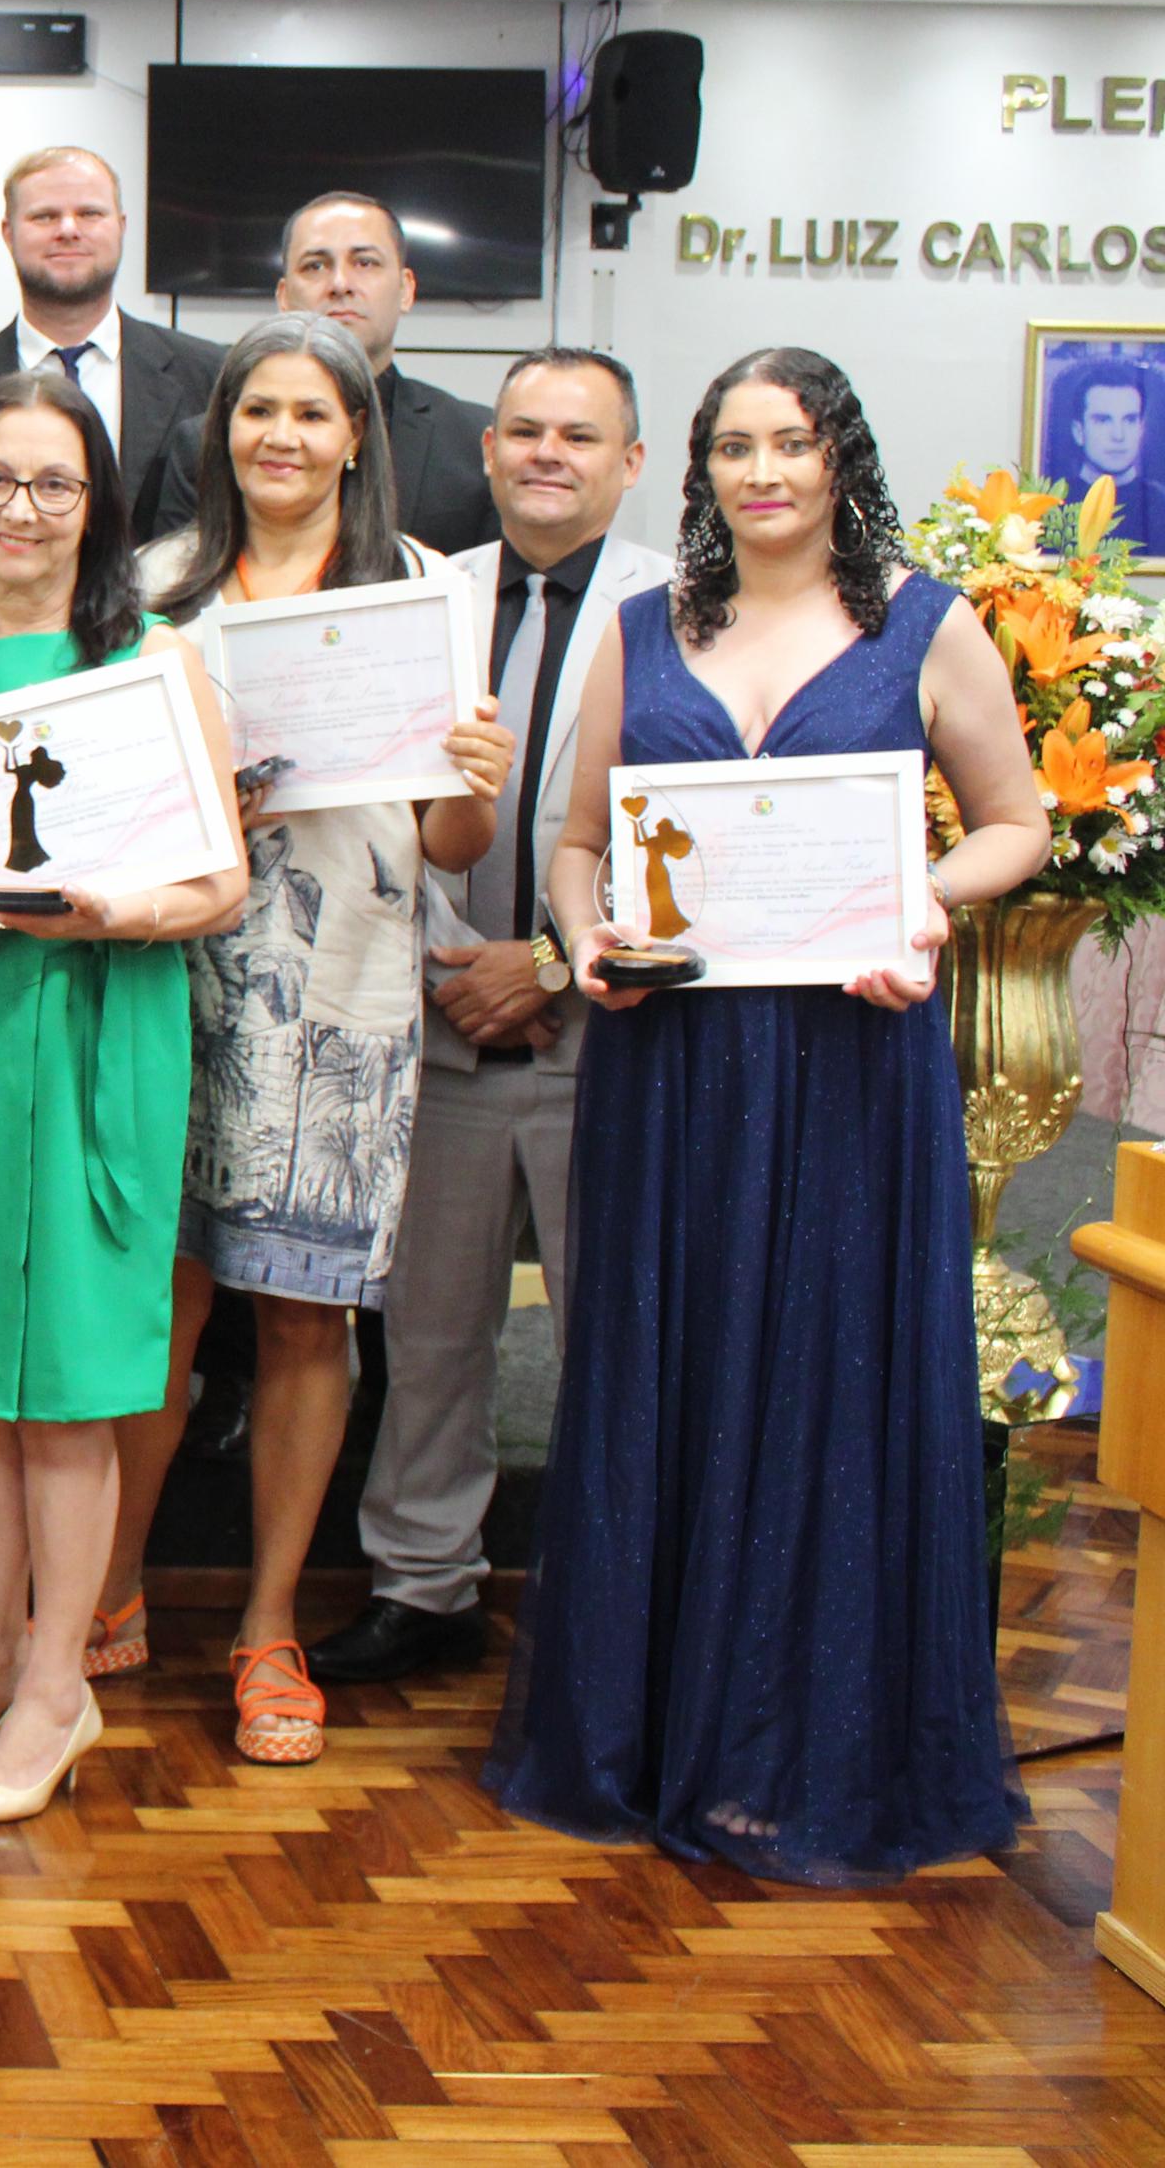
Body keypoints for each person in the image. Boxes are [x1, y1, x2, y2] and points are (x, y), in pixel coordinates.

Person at [491, 347, 1050, 1884]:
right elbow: (574, 841)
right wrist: (588, 939)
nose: (762, 473)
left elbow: (1019, 823)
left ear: (838, 458)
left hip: (850, 1064)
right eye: (735, 445)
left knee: (823, 1381)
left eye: (791, 444)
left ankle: (799, 1747)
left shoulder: (924, 625)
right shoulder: (637, 626)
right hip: (670, 1071)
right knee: (669, 1370)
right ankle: (653, 1735)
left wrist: (919, 906)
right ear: (697, 464)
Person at [98, 315, 515, 1766]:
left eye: (310, 413)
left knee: (303, 1311)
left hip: (346, 998)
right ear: (221, 432)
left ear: (356, 435)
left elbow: (453, 837)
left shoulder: (421, 593)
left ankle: (269, 1625)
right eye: (255, 409)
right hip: (177, 983)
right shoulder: (152, 588)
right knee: (166, 1298)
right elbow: (117, 801)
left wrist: (476, 776)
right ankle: (109, 1582)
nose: (280, 435)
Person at [0, 372, 246, 1824]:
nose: (22, 510)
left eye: (54, 485)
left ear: (98, 506)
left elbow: (221, 886)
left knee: (66, 1383)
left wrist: (111, 914)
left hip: (97, 1027)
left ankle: (57, 1684)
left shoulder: (151, 660)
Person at [310, 350, 666, 1692]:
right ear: (489, 449)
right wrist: (448, 967)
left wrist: (553, 964)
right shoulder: (415, 596)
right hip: (433, 1010)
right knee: (432, 1331)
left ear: (630, 464)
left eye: (581, 434)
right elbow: (357, 804)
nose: (545, 454)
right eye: (522, 430)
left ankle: (614, 1598)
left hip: (608, 1032)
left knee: (611, 1329)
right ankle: (423, 1583)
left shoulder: (681, 611)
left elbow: (679, 831)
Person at [0, 147, 226, 544]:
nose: (68, 229)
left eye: (90, 214)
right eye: (44, 216)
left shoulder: (212, 378)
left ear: (121, 227)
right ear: (9, 234)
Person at [276, 191, 495, 554]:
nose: (340, 283)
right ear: (283, 298)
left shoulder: (474, 444)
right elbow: (170, 606)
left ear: (406, 290)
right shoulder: (216, 441)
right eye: (315, 266)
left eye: (365, 263)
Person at [1047, 354, 1165, 557]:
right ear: (1078, 431)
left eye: (1129, 420)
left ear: (1141, 429)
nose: (1119, 435)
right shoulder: (1050, 506)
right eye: (1103, 420)